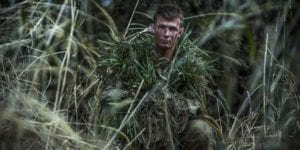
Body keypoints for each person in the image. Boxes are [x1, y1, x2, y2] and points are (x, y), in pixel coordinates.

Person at [98, 4, 217, 150]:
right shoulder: (132, 59)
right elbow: (107, 96)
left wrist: (166, 98)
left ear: (180, 32)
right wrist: (132, 96)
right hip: (139, 133)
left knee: (202, 129)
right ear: (153, 28)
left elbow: (196, 108)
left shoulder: (189, 69)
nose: (167, 34)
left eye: (172, 29)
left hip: (175, 135)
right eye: (162, 27)